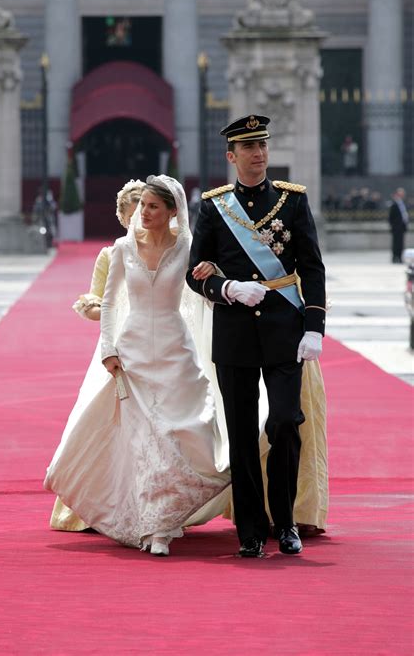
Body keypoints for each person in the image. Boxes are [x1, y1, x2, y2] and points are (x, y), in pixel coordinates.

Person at [44, 175, 231, 556]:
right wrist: (108, 349)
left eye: (152, 207)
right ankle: (154, 528)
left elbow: (204, 294)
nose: (142, 213)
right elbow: (110, 302)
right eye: (141, 205)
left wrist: (219, 277)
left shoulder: (188, 247)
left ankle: (165, 515)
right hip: (132, 351)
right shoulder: (122, 247)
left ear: (172, 212)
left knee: (183, 432)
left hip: (175, 348)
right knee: (143, 439)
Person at [187, 114, 326, 557]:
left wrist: (314, 327)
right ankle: (250, 529)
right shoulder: (213, 206)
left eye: (263, 145)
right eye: (249, 147)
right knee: (242, 433)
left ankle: (285, 522)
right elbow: (196, 273)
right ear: (232, 156)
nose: (259, 154)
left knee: (285, 422)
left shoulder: (292, 202)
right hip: (235, 333)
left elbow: (313, 267)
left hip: (285, 329)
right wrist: (225, 288)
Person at [49, 179, 145, 531]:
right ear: (121, 217)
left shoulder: (170, 251)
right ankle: (97, 504)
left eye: (146, 213)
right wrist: (111, 310)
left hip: (156, 346)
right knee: (105, 426)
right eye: (132, 215)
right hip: (118, 348)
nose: (139, 222)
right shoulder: (110, 254)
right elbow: (93, 303)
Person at [389, 188, 409, 263]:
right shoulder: (394, 204)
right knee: (395, 244)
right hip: (396, 228)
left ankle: (400, 257)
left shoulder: (403, 204)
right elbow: (391, 217)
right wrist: (393, 226)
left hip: (402, 227)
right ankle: (395, 257)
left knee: (400, 244)